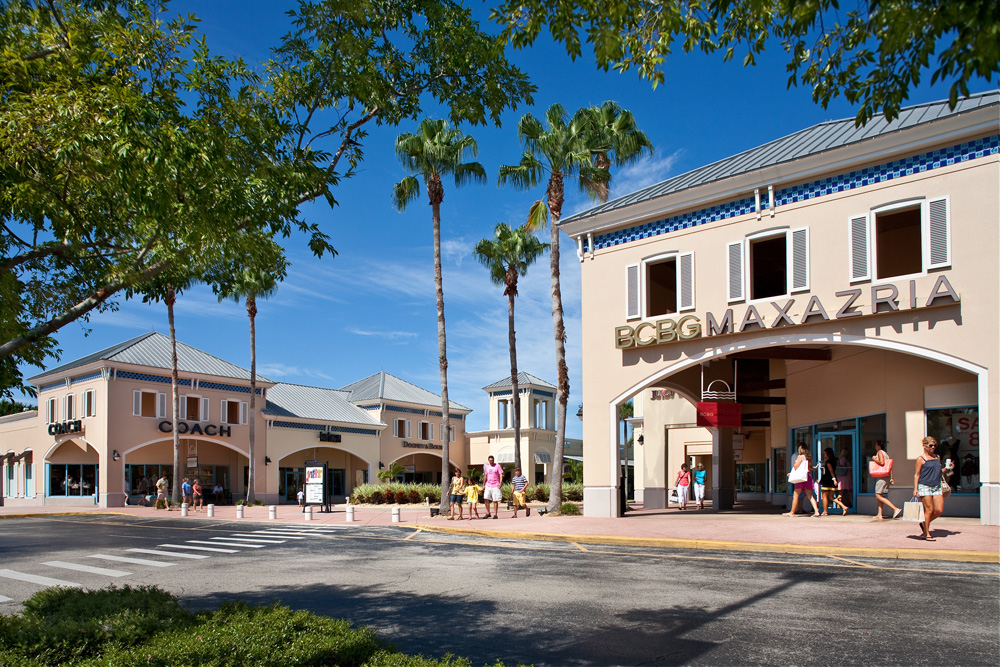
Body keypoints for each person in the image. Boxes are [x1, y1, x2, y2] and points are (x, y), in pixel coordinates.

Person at [914, 436, 945, 540]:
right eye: (930, 445)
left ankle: (924, 523)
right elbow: (917, 475)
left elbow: (938, 472)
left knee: (939, 510)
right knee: (929, 510)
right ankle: (926, 533)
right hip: (925, 485)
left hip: (936, 485)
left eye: (934, 445)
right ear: (924, 446)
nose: (933, 447)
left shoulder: (937, 457)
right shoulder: (921, 459)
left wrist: (947, 469)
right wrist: (915, 489)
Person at [783, 444, 820, 517]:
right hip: (807, 477)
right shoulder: (807, 457)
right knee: (810, 496)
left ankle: (792, 512)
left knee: (796, 495)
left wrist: (792, 472)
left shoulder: (800, 457)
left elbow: (796, 466)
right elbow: (808, 468)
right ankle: (816, 511)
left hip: (800, 478)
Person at [871, 441, 901, 520]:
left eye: (876, 445)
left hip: (881, 476)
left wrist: (874, 459)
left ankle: (895, 508)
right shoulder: (886, 454)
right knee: (880, 495)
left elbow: (882, 463)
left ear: (878, 446)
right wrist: (891, 477)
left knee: (877, 495)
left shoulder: (880, 452)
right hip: (886, 476)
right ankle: (879, 513)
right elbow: (889, 467)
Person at [820, 448, 849, 516]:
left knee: (824, 496)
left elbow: (831, 471)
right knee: (831, 497)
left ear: (828, 453)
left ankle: (825, 511)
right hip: (831, 479)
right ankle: (844, 507)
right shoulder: (834, 461)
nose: (824, 454)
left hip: (827, 479)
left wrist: (834, 479)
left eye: (825, 453)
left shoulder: (828, 462)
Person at [483, 455, 504, 519]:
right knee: (486, 498)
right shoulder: (487, 467)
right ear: (488, 461)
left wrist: (500, 483)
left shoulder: (497, 466)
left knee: (495, 500)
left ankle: (495, 514)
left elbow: (500, 475)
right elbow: (486, 476)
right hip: (488, 485)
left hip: (495, 485)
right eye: (490, 460)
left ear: (494, 460)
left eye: (492, 460)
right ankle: (488, 512)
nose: (491, 461)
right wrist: (484, 484)